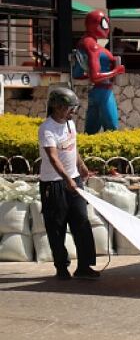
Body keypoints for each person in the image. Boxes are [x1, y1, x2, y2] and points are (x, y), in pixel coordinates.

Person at [38, 87, 100, 281]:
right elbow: (53, 158)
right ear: (57, 107)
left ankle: (84, 266)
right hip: (54, 185)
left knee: (81, 222)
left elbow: (73, 148)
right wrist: (67, 180)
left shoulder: (70, 124)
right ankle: (61, 267)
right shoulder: (47, 128)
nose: (72, 111)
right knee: (57, 227)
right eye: (68, 108)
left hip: (74, 180)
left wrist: (81, 167)